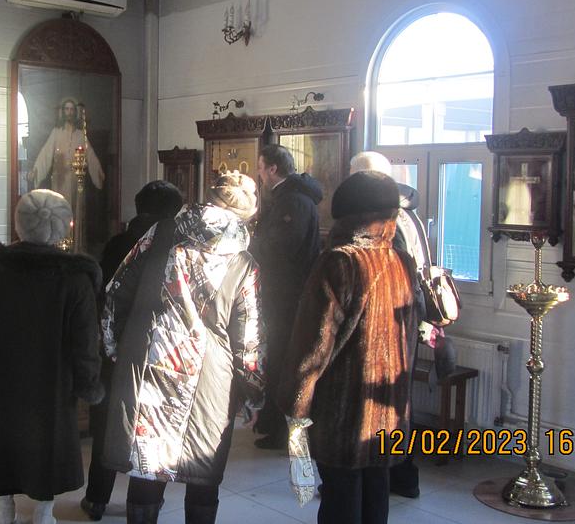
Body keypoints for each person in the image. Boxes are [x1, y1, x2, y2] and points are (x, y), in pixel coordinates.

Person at [101, 172, 264, 524]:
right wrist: (253, 394)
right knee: (202, 471)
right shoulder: (244, 261)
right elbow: (248, 339)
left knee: (147, 467)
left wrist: (115, 349)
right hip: (210, 379)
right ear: (247, 214)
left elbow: (116, 292)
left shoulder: (159, 233)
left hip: (149, 365)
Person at [278, 171, 419, 524]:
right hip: (386, 406)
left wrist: (295, 406)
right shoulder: (402, 261)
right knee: (376, 491)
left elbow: (313, 348)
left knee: (341, 497)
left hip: (342, 412)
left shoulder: (340, 261)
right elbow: (407, 337)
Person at [0, 189, 104, 524]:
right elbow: (85, 341)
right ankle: (43, 513)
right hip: (53, 381)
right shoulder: (74, 276)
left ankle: (3, 510)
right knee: (47, 446)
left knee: (1, 441)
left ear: (20, 223)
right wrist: (88, 382)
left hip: (1, 375)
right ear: (61, 226)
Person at [80, 180, 184, 522]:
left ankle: (97, 499)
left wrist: (107, 343)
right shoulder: (177, 247)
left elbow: (104, 295)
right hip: (161, 350)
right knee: (153, 428)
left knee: (108, 423)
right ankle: (144, 504)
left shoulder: (118, 244)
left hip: (116, 347)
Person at [349, 151, 428, 499]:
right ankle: (400, 476)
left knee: (382, 402)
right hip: (404, 319)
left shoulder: (387, 221)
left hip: (390, 322)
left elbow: (385, 275)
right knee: (395, 401)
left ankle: (395, 475)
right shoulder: (408, 213)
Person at [250, 144, 323, 449]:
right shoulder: (290, 198)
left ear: (272, 169)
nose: (259, 174)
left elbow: (280, 248)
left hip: (287, 296)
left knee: (283, 360)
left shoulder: (293, 201)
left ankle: (281, 429)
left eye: (260, 167)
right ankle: (272, 421)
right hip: (285, 294)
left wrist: (250, 245)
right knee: (278, 358)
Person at [30, 98, 105, 201]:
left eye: (71, 109)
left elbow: (90, 155)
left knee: (76, 205)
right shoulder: (56, 133)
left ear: (75, 112)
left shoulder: (80, 135)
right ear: (63, 112)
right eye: (67, 109)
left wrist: (98, 171)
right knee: (60, 204)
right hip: (60, 180)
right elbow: (45, 153)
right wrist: (36, 170)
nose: (69, 112)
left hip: (76, 180)